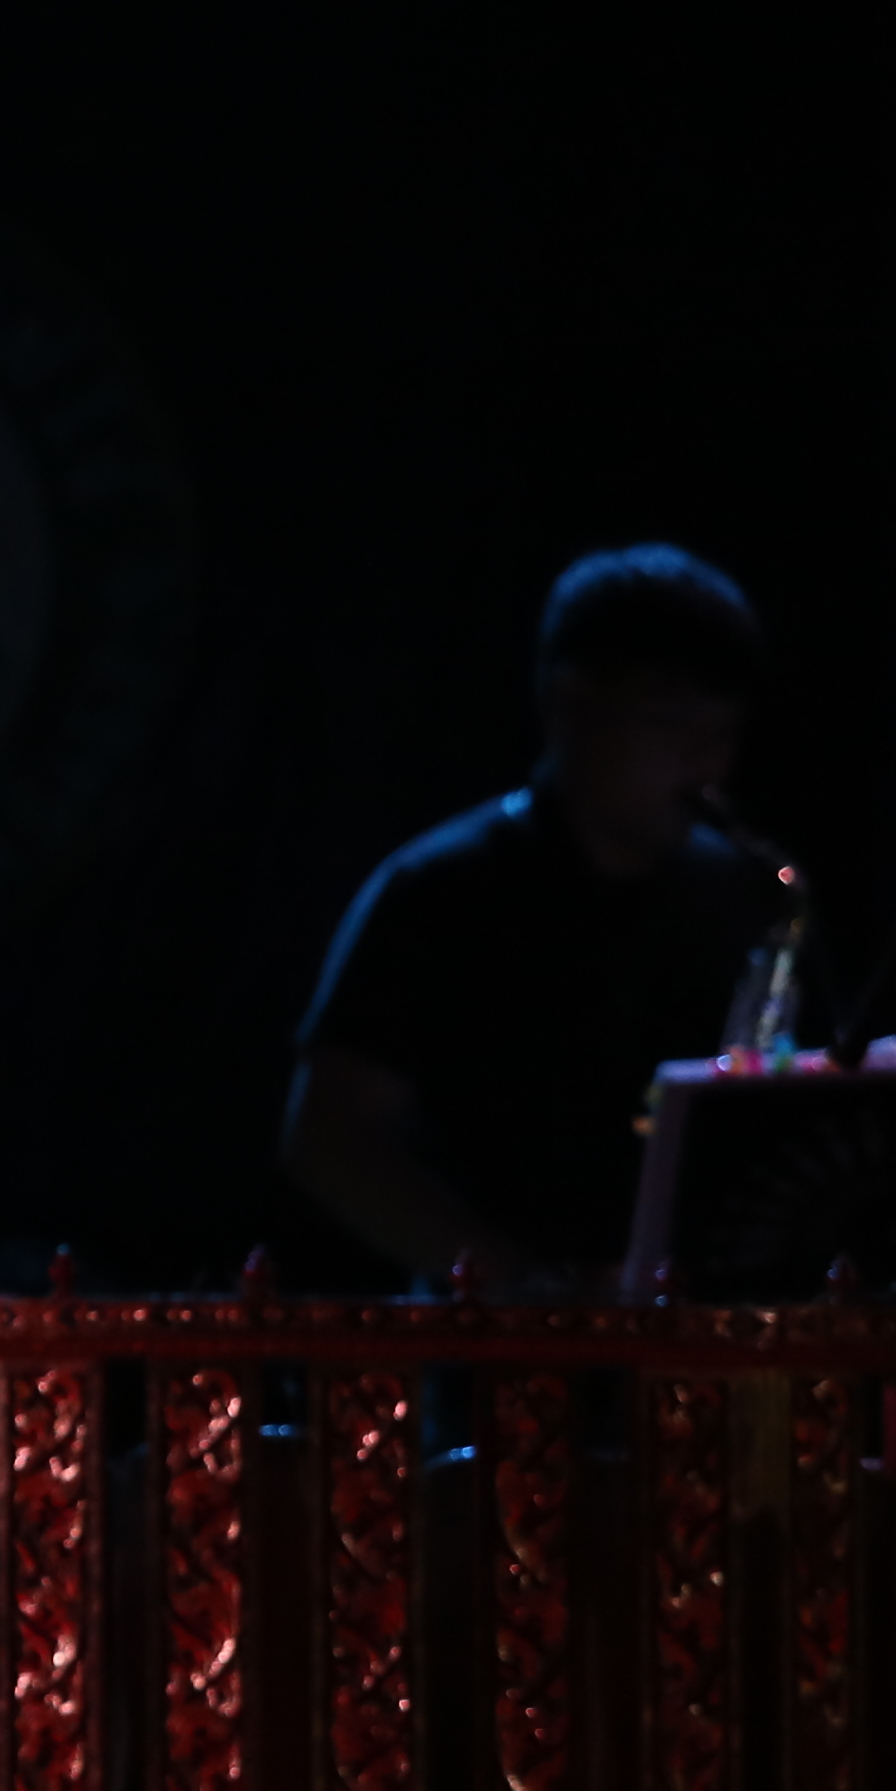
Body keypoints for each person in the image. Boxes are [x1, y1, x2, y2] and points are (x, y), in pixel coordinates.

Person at [280, 546, 783, 1290]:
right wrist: (513, 1278)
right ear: (571, 701)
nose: (705, 769)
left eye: (721, 738)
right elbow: (330, 1137)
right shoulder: (437, 892)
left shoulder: (739, 895)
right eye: (672, 728)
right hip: (495, 1335)